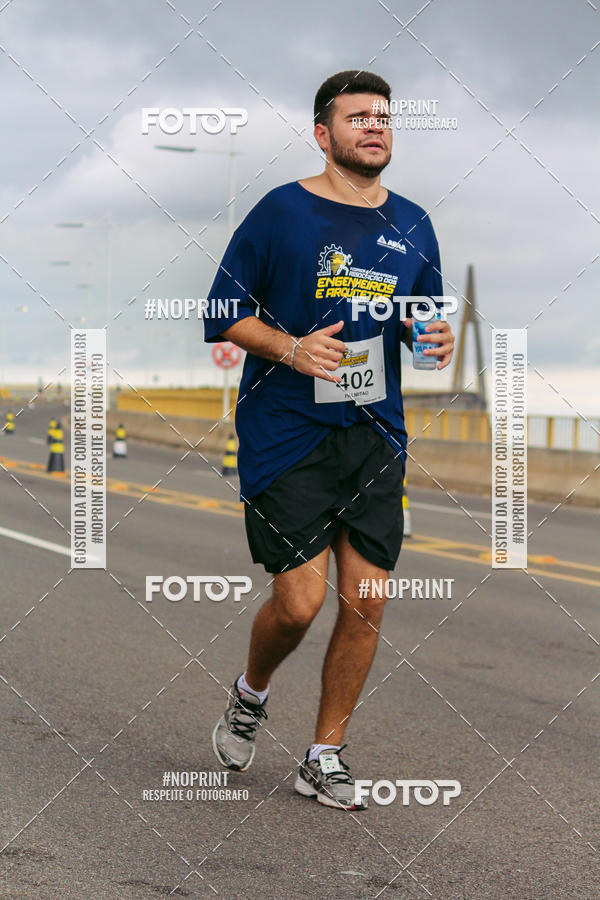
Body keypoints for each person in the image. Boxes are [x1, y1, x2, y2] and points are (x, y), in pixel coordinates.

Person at [203, 70, 455, 810]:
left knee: (368, 602)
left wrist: (429, 337)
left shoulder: (412, 222)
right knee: (301, 603)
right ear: (324, 133)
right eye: (357, 118)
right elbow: (221, 313)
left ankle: (324, 754)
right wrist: (289, 348)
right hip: (287, 430)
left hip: (375, 433)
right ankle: (251, 694)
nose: (374, 127)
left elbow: (420, 320)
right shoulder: (282, 212)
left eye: (383, 117)